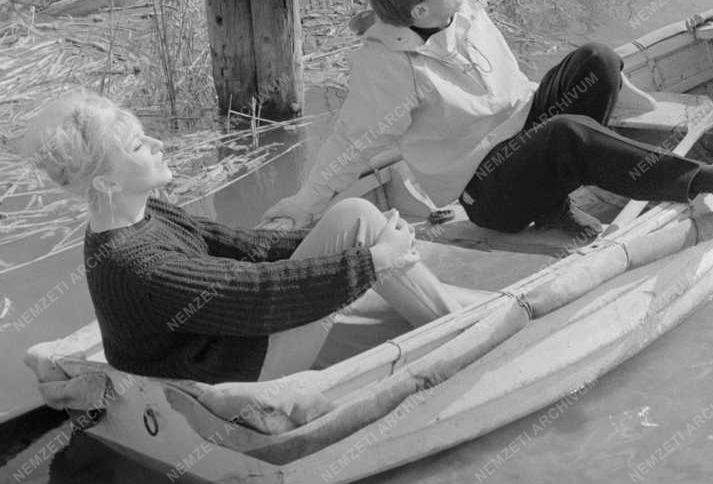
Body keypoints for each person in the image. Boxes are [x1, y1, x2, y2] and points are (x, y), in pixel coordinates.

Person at [262, 0, 713, 238]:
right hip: (483, 192)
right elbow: (351, 141)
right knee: (568, 135)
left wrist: (651, 111)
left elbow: (403, 5)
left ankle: (561, 194)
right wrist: (302, 205)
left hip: (524, 131)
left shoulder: (459, 5)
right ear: (421, 9)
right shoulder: (387, 69)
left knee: (597, 60)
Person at [22, 90, 478, 384]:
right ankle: (474, 336)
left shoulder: (142, 213)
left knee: (355, 224)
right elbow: (258, 295)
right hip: (226, 369)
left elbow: (242, 247)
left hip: (223, 346)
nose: (160, 145)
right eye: (140, 146)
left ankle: (448, 316)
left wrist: (333, 241)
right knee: (359, 222)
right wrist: (373, 262)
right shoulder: (133, 263)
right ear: (106, 183)